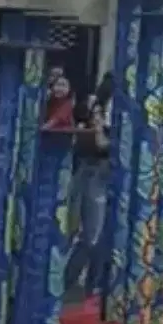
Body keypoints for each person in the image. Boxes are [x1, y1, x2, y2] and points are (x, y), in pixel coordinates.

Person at [66, 74, 112, 294]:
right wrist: (97, 123)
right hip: (91, 173)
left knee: (101, 236)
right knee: (89, 235)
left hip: (107, 175)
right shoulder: (90, 116)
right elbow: (100, 145)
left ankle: (94, 283)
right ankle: (70, 280)